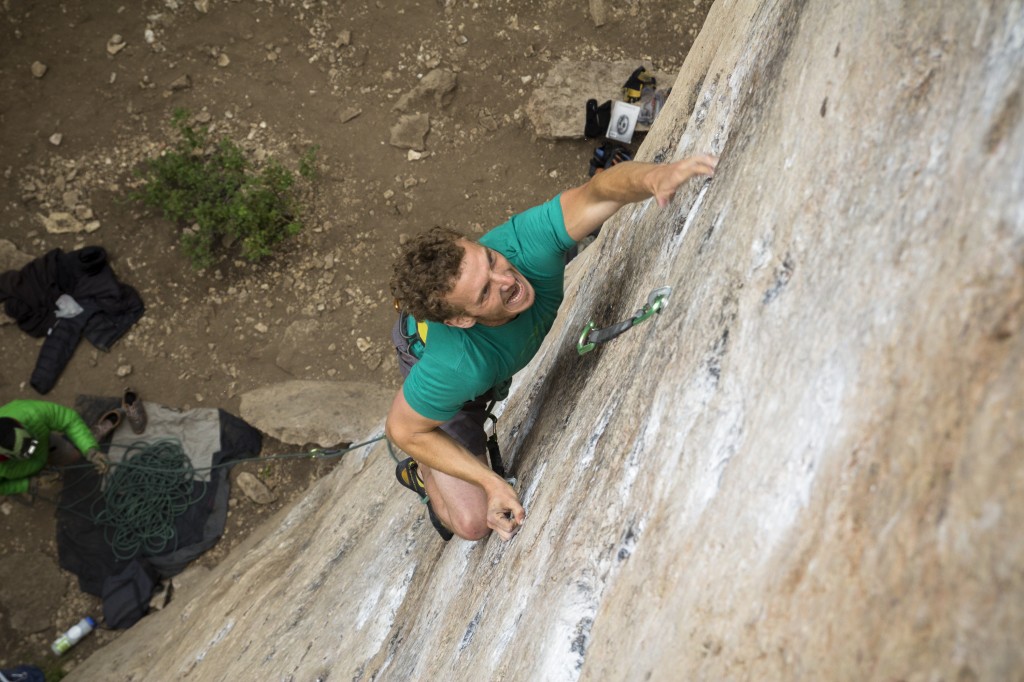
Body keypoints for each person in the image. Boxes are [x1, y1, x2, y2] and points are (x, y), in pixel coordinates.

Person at [386, 154, 718, 542]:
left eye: (491, 260)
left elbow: (598, 193)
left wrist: (654, 177)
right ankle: (425, 475)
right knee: (473, 523)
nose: (506, 279)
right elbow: (404, 430)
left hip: (475, 365)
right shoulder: (455, 365)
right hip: (447, 379)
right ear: (462, 319)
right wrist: (488, 482)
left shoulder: (525, 246)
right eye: (485, 291)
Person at [0, 399, 109, 496]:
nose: (31, 450)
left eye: (31, 444)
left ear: (20, 424)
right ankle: (39, 470)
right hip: (18, 470)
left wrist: (90, 449)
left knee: (73, 456)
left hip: (44, 442)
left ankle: (83, 441)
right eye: (26, 452)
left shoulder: (30, 412)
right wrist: (30, 483)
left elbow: (69, 420)